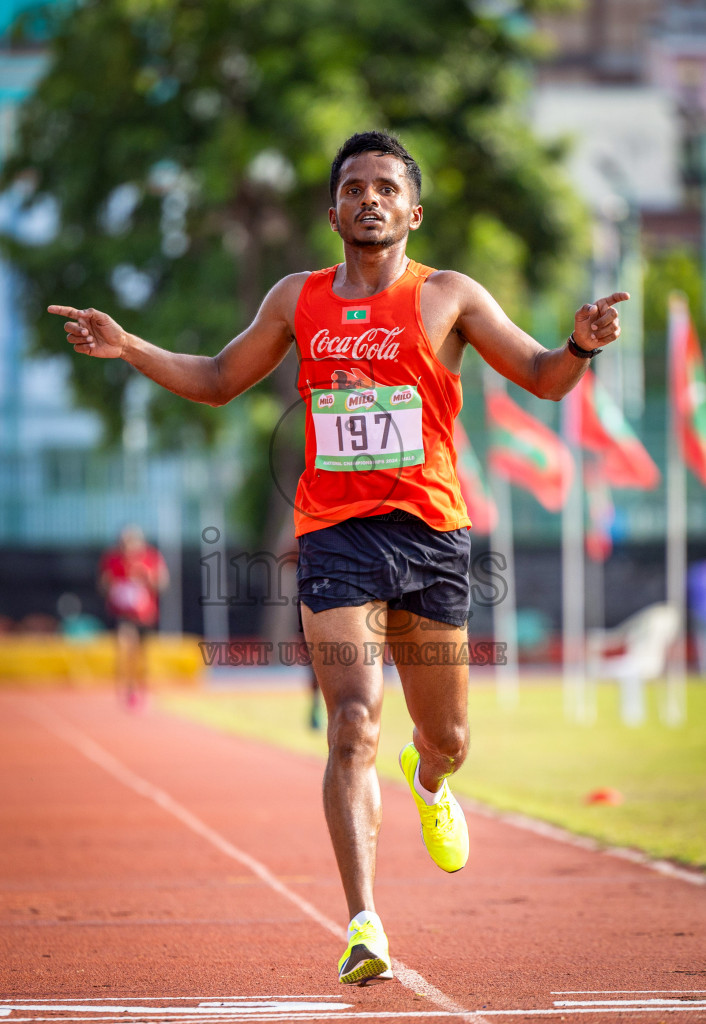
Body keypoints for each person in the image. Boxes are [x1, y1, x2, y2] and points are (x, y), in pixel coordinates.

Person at [49, 130, 627, 984]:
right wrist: (130, 346)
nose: (370, 199)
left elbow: (542, 377)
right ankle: (364, 923)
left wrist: (579, 344)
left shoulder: (451, 297)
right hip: (336, 535)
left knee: (451, 737)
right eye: (354, 187)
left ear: (412, 210)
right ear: (332, 212)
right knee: (352, 720)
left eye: (386, 188)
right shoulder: (297, 298)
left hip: (431, 536)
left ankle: (430, 784)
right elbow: (216, 377)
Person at [98, 525, 169, 708]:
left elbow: (162, 583)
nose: (128, 546)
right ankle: (127, 689)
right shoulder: (113, 560)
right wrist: (111, 586)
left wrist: (147, 577)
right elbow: (104, 584)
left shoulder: (151, 558)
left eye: (132, 541)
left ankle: (142, 689)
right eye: (124, 542)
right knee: (124, 647)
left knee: (141, 655)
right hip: (123, 614)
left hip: (145, 615)